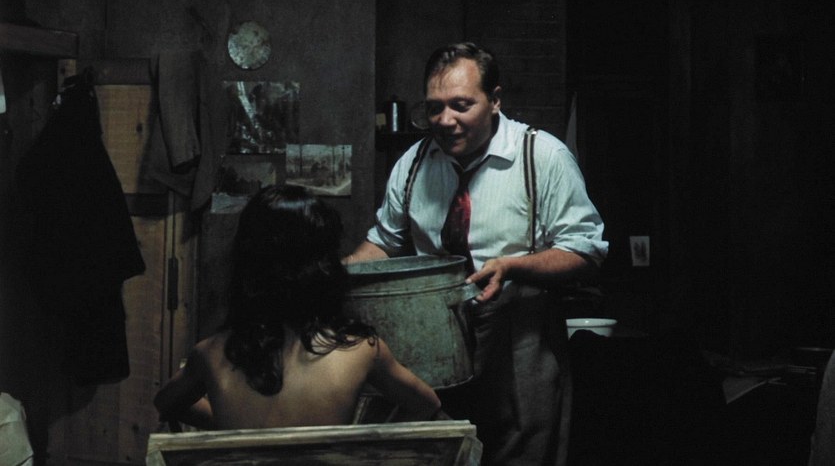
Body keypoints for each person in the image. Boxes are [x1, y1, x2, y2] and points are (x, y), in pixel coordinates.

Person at [347, 42, 608, 465]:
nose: (445, 120)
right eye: (434, 108)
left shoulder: (542, 156)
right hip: (431, 346)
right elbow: (384, 242)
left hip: (520, 341)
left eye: (461, 105)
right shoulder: (413, 163)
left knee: (521, 450)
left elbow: (585, 251)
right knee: (440, 451)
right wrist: (339, 274)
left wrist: (513, 267)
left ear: (495, 100)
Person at [154, 185, 441, 430]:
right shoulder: (362, 352)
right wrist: (362, 448)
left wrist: (233, 430)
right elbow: (427, 405)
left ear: (247, 267)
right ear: (326, 268)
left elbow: (166, 405)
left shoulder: (209, 355)